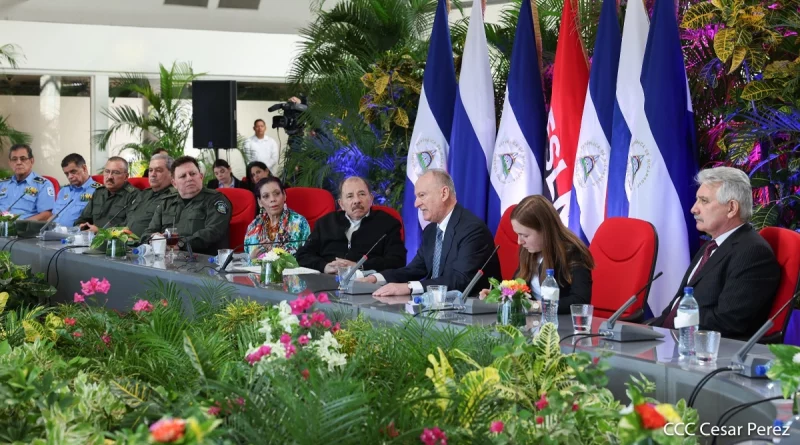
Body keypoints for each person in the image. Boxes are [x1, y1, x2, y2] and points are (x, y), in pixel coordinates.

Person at [649, 167, 780, 339]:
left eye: (704, 201)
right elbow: (677, 303)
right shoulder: (711, 245)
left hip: (708, 352)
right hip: (676, 339)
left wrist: (671, 329)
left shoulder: (753, 253)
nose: (694, 209)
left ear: (732, 208)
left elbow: (729, 320)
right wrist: (650, 330)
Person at [362, 169, 500, 296]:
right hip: (436, 307)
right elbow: (414, 269)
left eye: (422, 195)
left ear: (444, 194)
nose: (416, 204)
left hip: (471, 313)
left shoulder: (472, 230)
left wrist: (409, 287)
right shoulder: (431, 230)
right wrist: (376, 278)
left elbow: (460, 281)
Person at [478, 195, 594, 313]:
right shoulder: (528, 250)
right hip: (533, 323)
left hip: (561, 325)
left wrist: (538, 306)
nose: (519, 241)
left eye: (525, 235)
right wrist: (499, 294)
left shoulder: (573, 253)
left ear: (545, 230)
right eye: (518, 234)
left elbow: (580, 301)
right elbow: (518, 286)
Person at [296, 176, 406, 273]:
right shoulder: (325, 223)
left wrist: (359, 266)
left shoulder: (387, 223)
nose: (356, 200)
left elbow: (397, 260)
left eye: (362, 194)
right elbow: (303, 255)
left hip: (367, 284)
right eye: (350, 196)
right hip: (327, 281)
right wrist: (324, 266)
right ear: (341, 204)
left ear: (371, 199)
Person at [142, 156, 232, 255]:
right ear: (174, 183)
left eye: (193, 174)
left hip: (204, 262)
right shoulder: (166, 203)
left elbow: (213, 232)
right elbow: (148, 233)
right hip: (166, 260)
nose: (189, 178)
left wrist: (179, 244)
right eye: (183, 176)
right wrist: (153, 239)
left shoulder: (216, 200)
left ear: (201, 177)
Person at [244, 177, 310, 258]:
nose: (272, 199)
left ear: (284, 195)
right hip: (256, 270)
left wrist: (274, 253)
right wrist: (252, 258)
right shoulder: (253, 226)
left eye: (277, 194)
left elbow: (306, 257)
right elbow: (246, 258)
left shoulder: (299, 222)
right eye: (266, 196)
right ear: (259, 202)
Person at [75, 157, 139, 230]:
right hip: (90, 238)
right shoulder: (98, 192)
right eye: (107, 171)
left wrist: (100, 232)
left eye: (116, 172)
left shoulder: (134, 195)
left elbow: (130, 226)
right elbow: (83, 218)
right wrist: (81, 225)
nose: (109, 177)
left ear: (126, 177)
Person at [124, 153, 177, 236]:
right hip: (125, 242)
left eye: (158, 170)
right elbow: (129, 219)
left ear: (172, 174)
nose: (153, 174)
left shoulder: (174, 197)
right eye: (150, 170)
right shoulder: (143, 194)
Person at [0, 144, 55, 221]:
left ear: (32, 161)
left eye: (23, 159)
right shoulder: (2, 184)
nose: (18, 162)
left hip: (24, 229)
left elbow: (46, 214)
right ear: (10, 163)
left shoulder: (43, 184)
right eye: (14, 159)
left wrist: (21, 224)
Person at [52, 153, 100, 227]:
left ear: (84, 168)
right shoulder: (64, 191)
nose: (70, 176)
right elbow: (53, 215)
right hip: (52, 233)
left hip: (78, 235)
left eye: (73, 172)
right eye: (66, 174)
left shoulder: (98, 191)